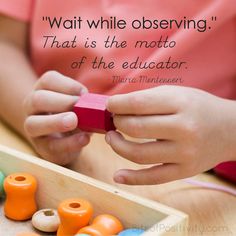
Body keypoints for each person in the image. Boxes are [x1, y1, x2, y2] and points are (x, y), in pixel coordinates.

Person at [0, 0, 235, 185]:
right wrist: (36, 116)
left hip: (195, 173)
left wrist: (227, 130)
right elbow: (5, 43)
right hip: (58, 157)